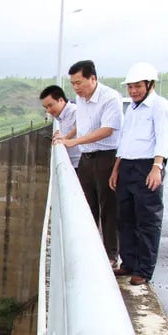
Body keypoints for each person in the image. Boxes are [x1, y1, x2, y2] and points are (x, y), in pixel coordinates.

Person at [109, 62, 168, 285]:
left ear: (149, 84)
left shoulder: (160, 107)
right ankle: (128, 262)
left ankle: (144, 270)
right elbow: (125, 141)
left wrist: (157, 168)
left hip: (148, 166)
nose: (133, 91)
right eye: (130, 87)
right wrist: (116, 169)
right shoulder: (133, 109)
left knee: (147, 220)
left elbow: (164, 139)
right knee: (125, 217)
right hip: (127, 166)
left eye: (137, 86)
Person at [54, 60, 123, 267]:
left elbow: (107, 129)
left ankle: (111, 255)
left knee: (108, 208)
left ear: (93, 78)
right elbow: (81, 125)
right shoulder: (80, 99)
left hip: (106, 158)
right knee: (87, 206)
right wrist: (66, 136)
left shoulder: (110, 98)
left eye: (79, 83)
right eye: (73, 83)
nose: (76, 88)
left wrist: (74, 141)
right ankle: (90, 251)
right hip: (87, 159)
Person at [40, 85, 80, 168]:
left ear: (61, 100)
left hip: (79, 165)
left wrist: (66, 137)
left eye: (50, 105)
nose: (48, 110)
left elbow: (82, 126)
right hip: (71, 164)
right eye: (46, 107)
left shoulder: (75, 112)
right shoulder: (61, 116)